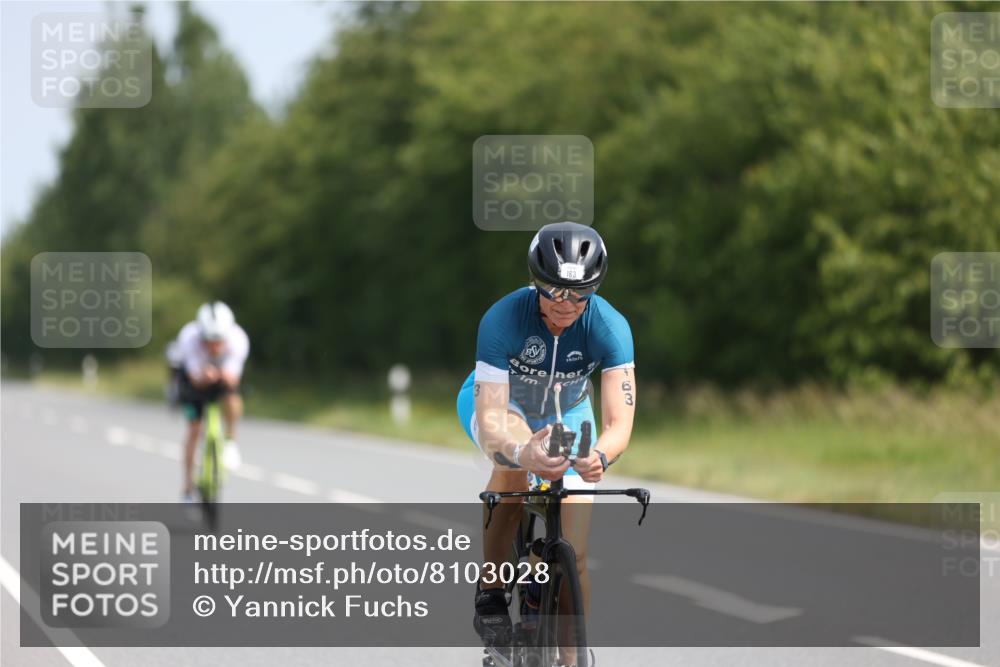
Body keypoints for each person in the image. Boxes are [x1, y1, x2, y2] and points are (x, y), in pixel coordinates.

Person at [456, 222, 636, 660]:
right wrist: (522, 451)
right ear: (536, 281)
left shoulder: (610, 326)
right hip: (503, 403)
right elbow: (493, 418)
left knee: (575, 554)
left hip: (566, 411)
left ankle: (572, 656)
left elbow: (619, 422)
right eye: (554, 291)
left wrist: (600, 456)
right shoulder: (502, 318)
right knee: (514, 464)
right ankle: (492, 589)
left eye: (580, 294)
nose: (566, 304)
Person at [174, 301, 249, 502]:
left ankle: (231, 441)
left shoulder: (238, 339)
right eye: (209, 341)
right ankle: (188, 487)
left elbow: (233, 378)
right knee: (194, 429)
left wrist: (221, 374)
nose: (214, 346)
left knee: (232, 397)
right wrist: (203, 376)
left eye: (219, 341)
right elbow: (193, 378)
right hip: (195, 382)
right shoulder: (188, 338)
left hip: (222, 378)